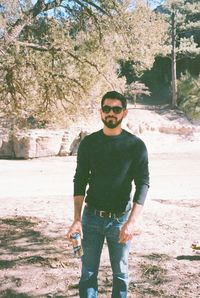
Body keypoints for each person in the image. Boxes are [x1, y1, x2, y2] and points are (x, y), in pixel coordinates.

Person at [66, 90, 150, 298]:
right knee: (88, 274)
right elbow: (80, 181)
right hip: (91, 218)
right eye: (106, 108)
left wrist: (131, 222)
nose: (111, 113)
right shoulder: (89, 143)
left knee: (121, 274)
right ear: (100, 112)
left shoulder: (136, 146)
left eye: (116, 109)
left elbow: (143, 184)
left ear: (124, 113)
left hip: (121, 220)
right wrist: (77, 220)